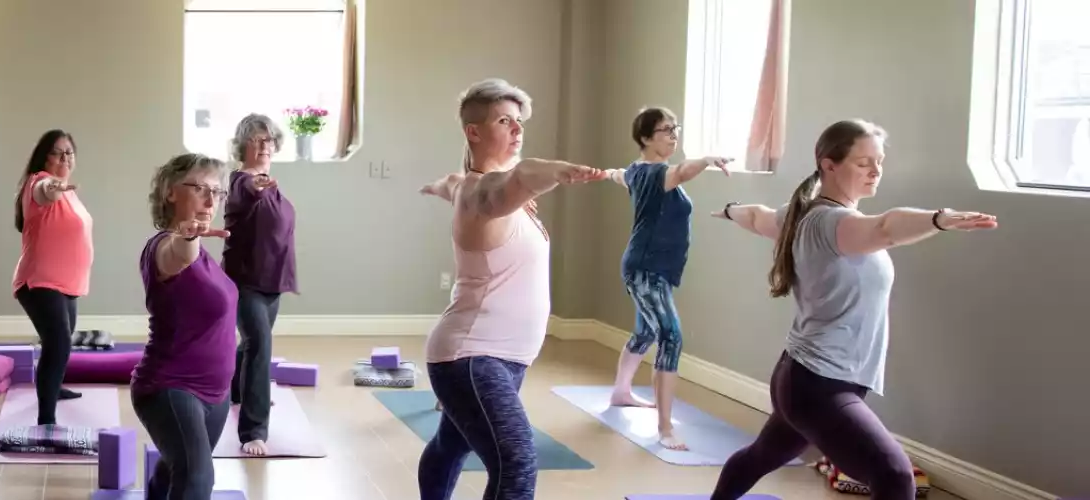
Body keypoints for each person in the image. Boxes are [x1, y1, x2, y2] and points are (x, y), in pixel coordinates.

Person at [708, 120, 997, 500]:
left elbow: (758, 215)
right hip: (819, 384)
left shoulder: (797, 215)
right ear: (829, 165)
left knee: (761, 456)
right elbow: (887, 227)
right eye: (863, 163)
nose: (876, 171)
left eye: (879, 161)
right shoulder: (834, 222)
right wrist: (938, 219)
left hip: (801, 375)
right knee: (894, 476)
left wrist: (730, 210)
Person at [416, 78, 609, 500]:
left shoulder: (481, 190)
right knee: (517, 465)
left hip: (503, 359)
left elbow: (455, 182)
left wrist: (436, 187)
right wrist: (558, 171)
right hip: (472, 357)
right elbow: (519, 175)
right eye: (505, 121)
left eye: (519, 121)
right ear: (475, 131)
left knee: (451, 444)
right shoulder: (485, 192)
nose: (517, 129)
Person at [597, 107, 734, 451]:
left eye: (676, 129)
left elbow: (620, 175)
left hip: (652, 267)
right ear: (645, 137)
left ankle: (621, 392)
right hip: (647, 270)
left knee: (645, 332)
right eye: (665, 130)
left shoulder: (636, 171)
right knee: (670, 336)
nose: (674, 136)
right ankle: (665, 429)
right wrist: (706, 159)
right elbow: (683, 172)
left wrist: (605, 173)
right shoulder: (658, 173)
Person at [133, 153, 239, 500]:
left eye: (218, 192)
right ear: (170, 192)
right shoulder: (163, 246)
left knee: (177, 466)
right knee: (197, 477)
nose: (211, 200)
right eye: (200, 188)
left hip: (217, 393)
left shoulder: (209, 258)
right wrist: (188, 237)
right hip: (170, 387)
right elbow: (179, 253)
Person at [220, 114, 295, 456]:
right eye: (256, 140)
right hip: (244, 281)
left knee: (251, 344)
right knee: (260, 345)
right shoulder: (241, 182)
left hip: (272, 282)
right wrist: (256, 187)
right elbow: (244, 193)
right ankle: (253, 431)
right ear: (243, 146)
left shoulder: (269, 181)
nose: (264, 146)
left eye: (268, 140)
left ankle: (237, 391)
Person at [11, 129, 92, 425]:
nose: (65, 158)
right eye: (58, 152)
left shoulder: (70, 194)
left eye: (69, 152)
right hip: (39, 282)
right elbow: (44, 190)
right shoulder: (38, 183)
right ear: (44, 157)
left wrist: (62, 188)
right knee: (57, 343)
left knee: (62, 339)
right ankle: (46, 418)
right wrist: (53, 186)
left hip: (65, 283)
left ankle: (54, 388)